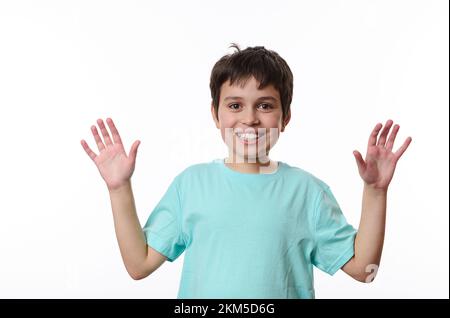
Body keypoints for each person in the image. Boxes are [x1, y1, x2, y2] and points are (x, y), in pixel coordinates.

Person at [80, 44, 412, 298]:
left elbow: (364, 270)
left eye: (265, 105)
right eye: (235, 105)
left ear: (286, 117)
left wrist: (376, 191)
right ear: (215, 114)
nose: (250, 118)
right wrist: (118, 188)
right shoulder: (191, 185)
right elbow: (138, 265)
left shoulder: (308, 192)